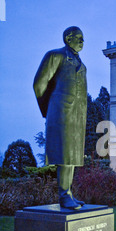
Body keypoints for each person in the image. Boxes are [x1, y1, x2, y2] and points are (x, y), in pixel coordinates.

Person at [33, 26, 87, 209]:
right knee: (65, 155)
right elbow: (39, 84)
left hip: (77, 116)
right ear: (67, 38)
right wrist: (48, 109)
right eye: (78, 37)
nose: (82, 41)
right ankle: (64, 195)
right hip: (62, 113)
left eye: (83, 38)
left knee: (72, 156)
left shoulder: (80, 63)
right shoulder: (55, 56)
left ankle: (68, 193)